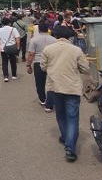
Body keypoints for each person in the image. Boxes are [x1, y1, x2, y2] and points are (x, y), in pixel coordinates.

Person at [40, 29, 90, 163]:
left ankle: (65, 136)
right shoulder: (76, 50)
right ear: (70, 37)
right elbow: (85, 68)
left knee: (61, 115)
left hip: (55, 87)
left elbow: (43, 67)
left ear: (55, 36)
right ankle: (70, 149)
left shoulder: (48, 49)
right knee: (72, 117)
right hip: (72, 88)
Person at [26, 24, 57, 112]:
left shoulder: (34, 40)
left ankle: (43, 99)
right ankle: (51, 102)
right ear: (48, 29)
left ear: (39, 30)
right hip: (51, 63)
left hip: (38, 62)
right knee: (51, 83)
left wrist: (29, 65)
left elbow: (31, 54)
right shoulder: (54, 39)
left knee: (40, 82)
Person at [0, 17, 21, 82]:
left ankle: (6, 76)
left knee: (4, 62)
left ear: (2, 23)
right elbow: (18, 39)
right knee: (13, 62)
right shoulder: (13, 29)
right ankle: (14, 75)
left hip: (3, 49)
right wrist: (18, 46)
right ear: (9, 23)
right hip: (12, 48)